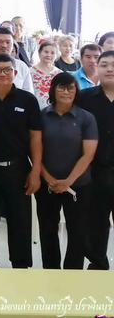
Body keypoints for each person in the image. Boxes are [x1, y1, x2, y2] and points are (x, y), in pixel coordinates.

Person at [0, 53, 43, 269]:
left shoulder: (27, 100)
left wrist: (35, 171)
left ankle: (21, 265)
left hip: (19, 169)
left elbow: (35, 137)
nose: (2, 73)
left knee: (20, 220)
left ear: (16, 72)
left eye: (7, 70)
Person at [36, 73, 98, 269]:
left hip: (78, 185)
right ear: (53, 90)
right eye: (61, 87)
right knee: (48, 229)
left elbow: (88, 154)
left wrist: (68, 181)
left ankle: (73, 272)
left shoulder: (86, 118)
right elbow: (34, 151)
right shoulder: (42, 116)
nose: (66, 92)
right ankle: (51, 270)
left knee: (77, 231)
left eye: (70, 88)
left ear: (76, 91)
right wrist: (49, 179)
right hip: (47, 185)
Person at [77, 51, 114, 270]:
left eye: (113, 65)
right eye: (104, 65)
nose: (109, 69)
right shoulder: (84, 98)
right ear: (96, 69)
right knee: (96, 222)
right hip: (95, 171)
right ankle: (98, 264)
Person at [31, 41, 60, 105]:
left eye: (52, 53)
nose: (49, 55)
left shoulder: (60, 74)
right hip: (34, 107)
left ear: (56, 55)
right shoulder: (30, 72)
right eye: (46, 52)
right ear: (39, 53)